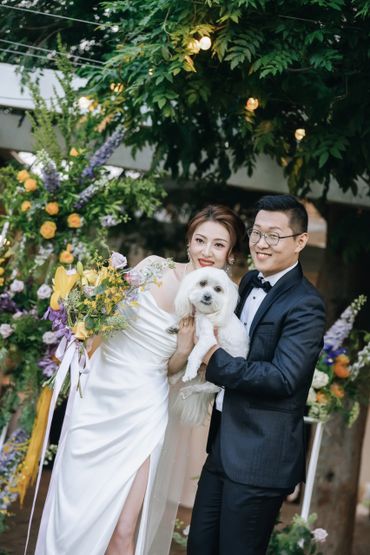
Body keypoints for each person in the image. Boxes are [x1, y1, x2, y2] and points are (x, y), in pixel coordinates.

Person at [34, 204, 245, 555]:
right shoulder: (153, 268)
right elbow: (102, 313)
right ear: (189, 241)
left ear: (231, 254)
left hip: (144, 407)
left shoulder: (214, 309)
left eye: (219, 245)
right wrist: (79, 332)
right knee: (74, 508)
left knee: (124, 527)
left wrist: (181, 349)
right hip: (98, 395)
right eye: (200, 240)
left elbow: (176, 372)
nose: (207, 251)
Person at [187, 194, 326, 555]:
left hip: (261, 459)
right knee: (199, 547)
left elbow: (283, 377)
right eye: (256, 232)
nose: (261, 242)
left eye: (274, 235)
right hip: (222, 447)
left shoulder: (306, 305)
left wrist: (213, 361)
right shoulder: (247, 281)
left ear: (299, 242)